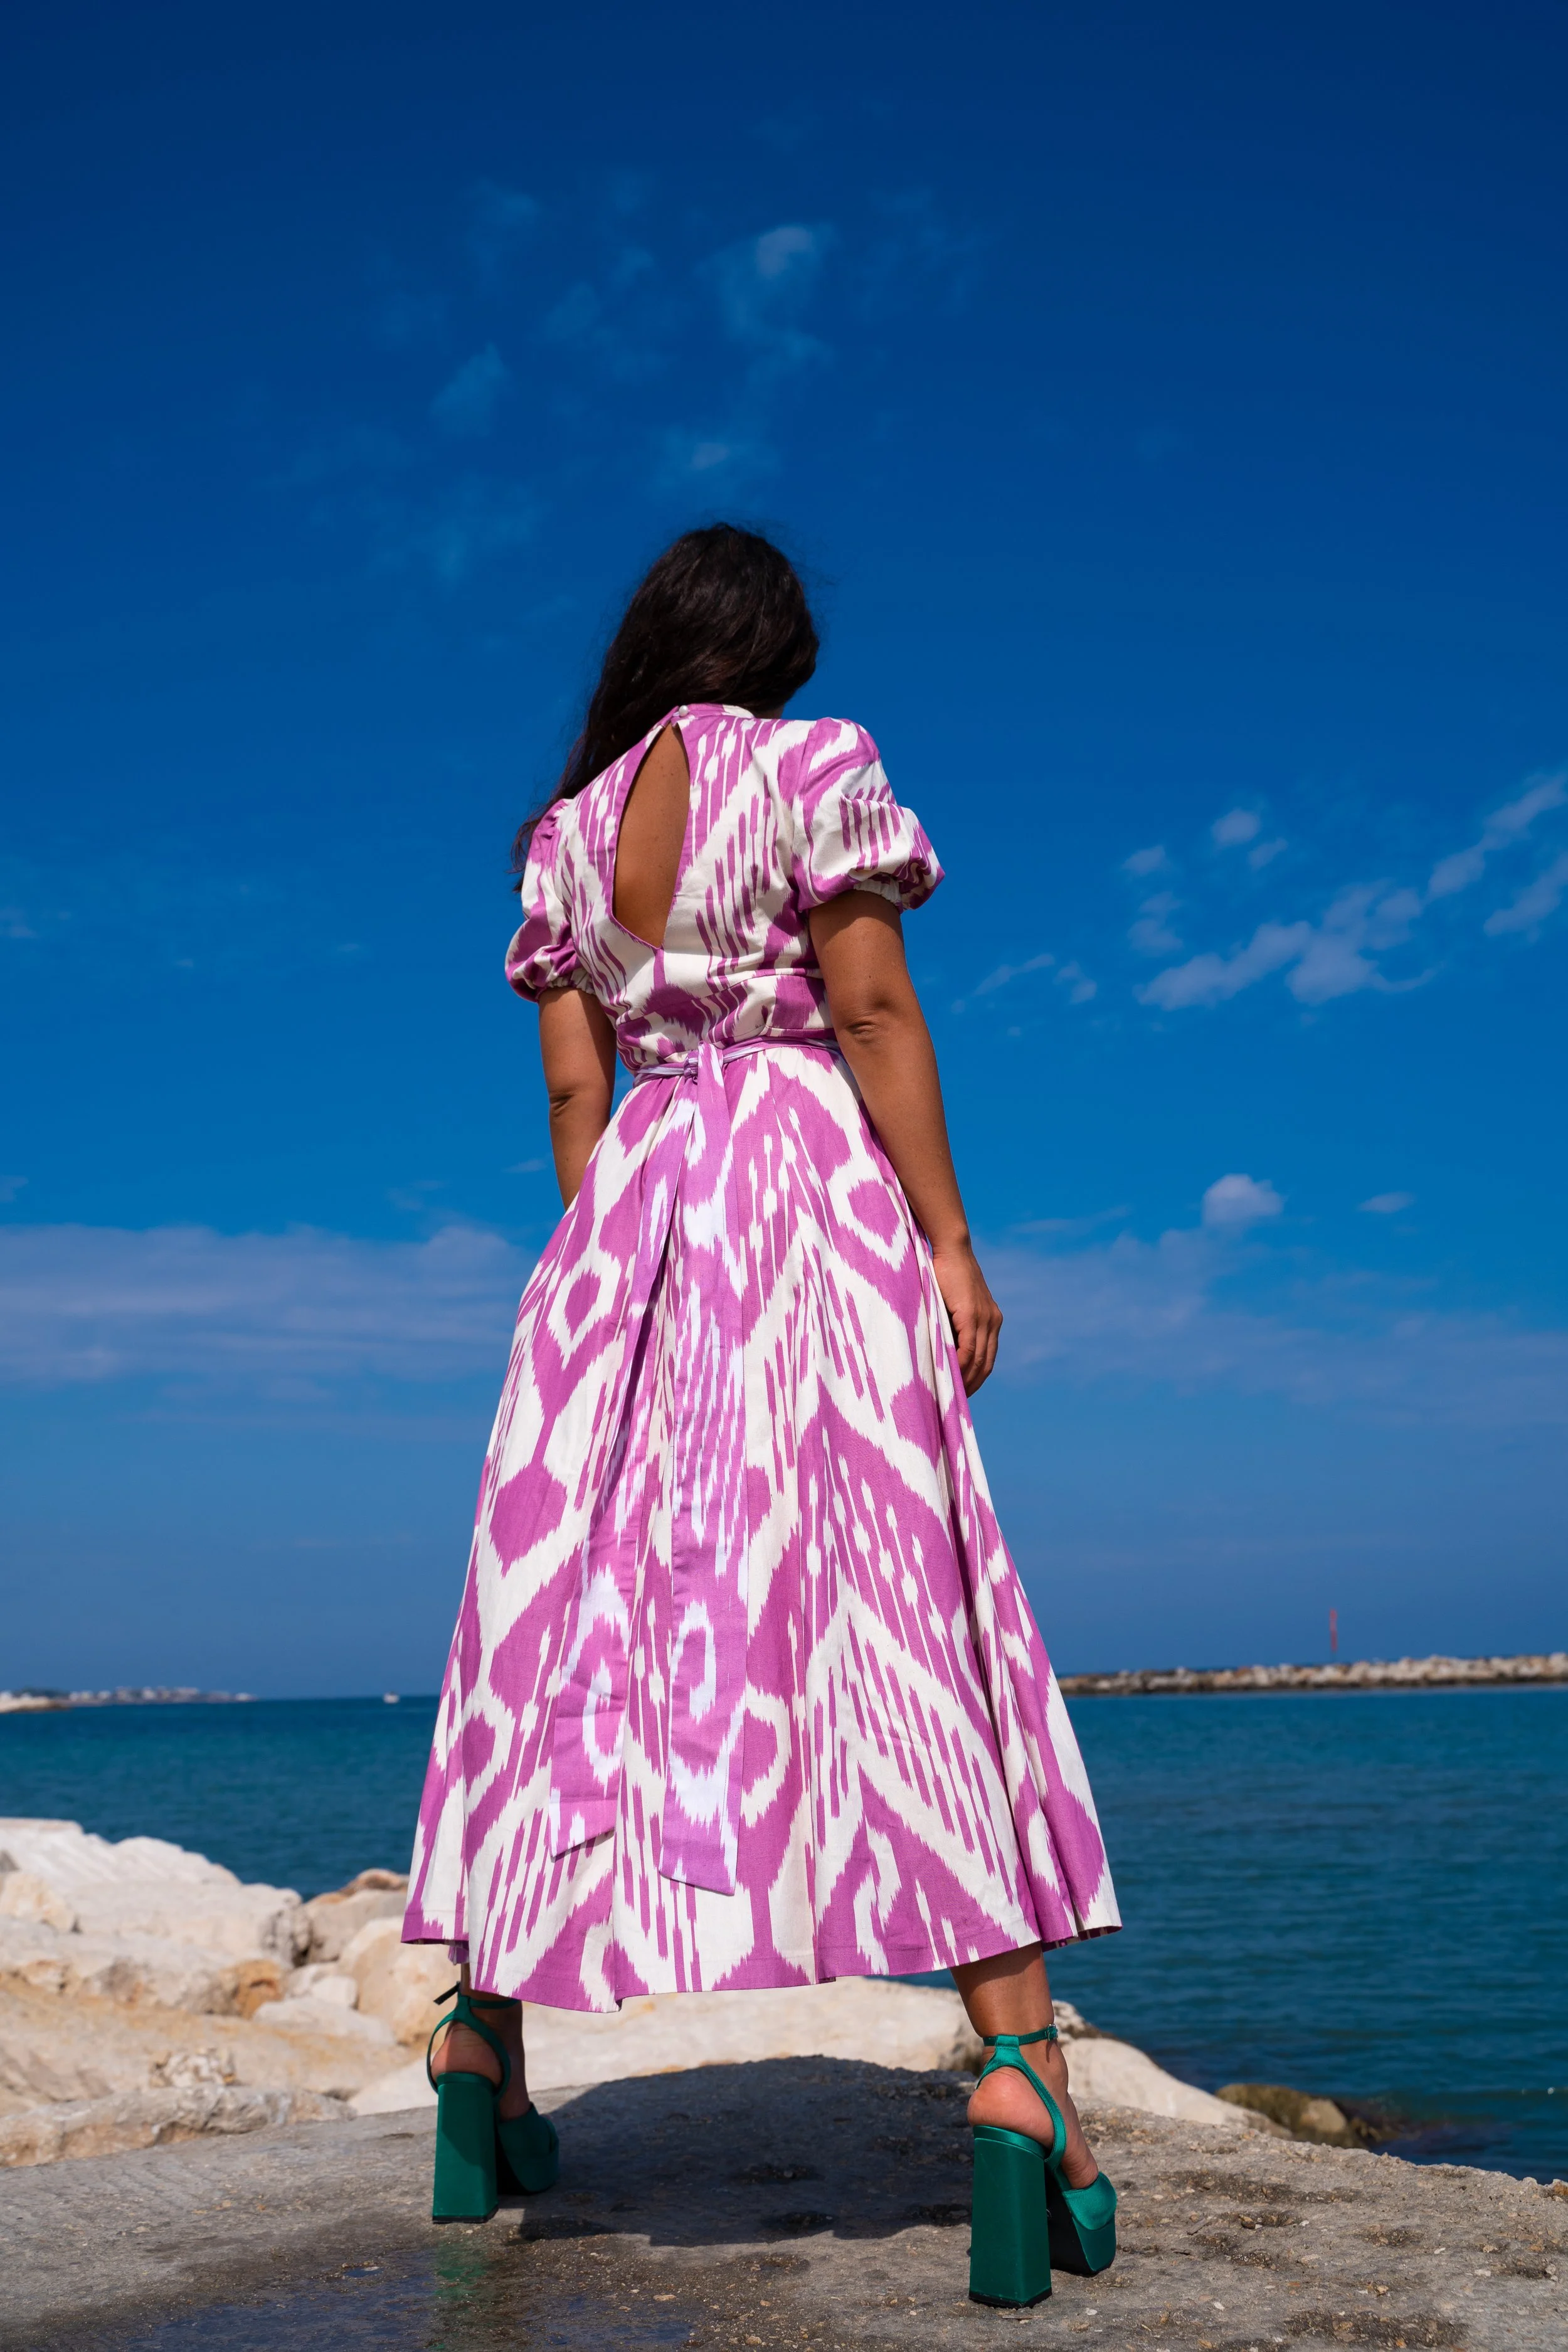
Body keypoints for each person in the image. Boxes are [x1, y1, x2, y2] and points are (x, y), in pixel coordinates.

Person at [404, 524, 1121, 2306]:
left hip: (630, 1217)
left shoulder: (564, 841)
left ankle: (478, 2048)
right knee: (891, 1597)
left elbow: (578, 1083)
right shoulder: (815, 766)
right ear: (770, 657)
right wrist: (949, 1239)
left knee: (565, 1629)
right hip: (801, 1190)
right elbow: (869, 1007)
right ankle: (1020, 2081)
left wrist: (617, 1279)